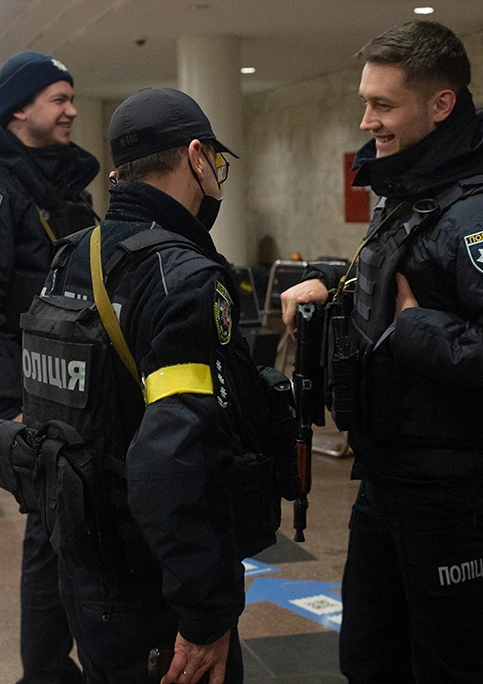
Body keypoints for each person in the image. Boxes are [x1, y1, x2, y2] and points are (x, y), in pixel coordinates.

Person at [280, 21, 483, 683]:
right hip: (389, 474)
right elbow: (409, 274)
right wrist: (332, 282)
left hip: (452, 492)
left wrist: (413, 329)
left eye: (383, 104)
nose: (367, 120)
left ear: (441, 104)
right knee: (370, 659)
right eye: (366, 102)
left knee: (450, 667)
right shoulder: (418, 192)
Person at [28, 87, 293, 684]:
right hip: (154, 589)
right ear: (197, 156)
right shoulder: (184, 279)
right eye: (215, 161)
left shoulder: (73, 255)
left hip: (85, 568)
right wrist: (205, 611)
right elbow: (173, 459)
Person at [0, 51, 99, 684]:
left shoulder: (62, 183)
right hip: (37, 399)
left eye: (71, 97)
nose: (72, 110)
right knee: (51, 532)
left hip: (81, 390)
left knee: (70, 530)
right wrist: (11, 404)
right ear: (19, 110)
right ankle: (46, 672)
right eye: (59, 99)